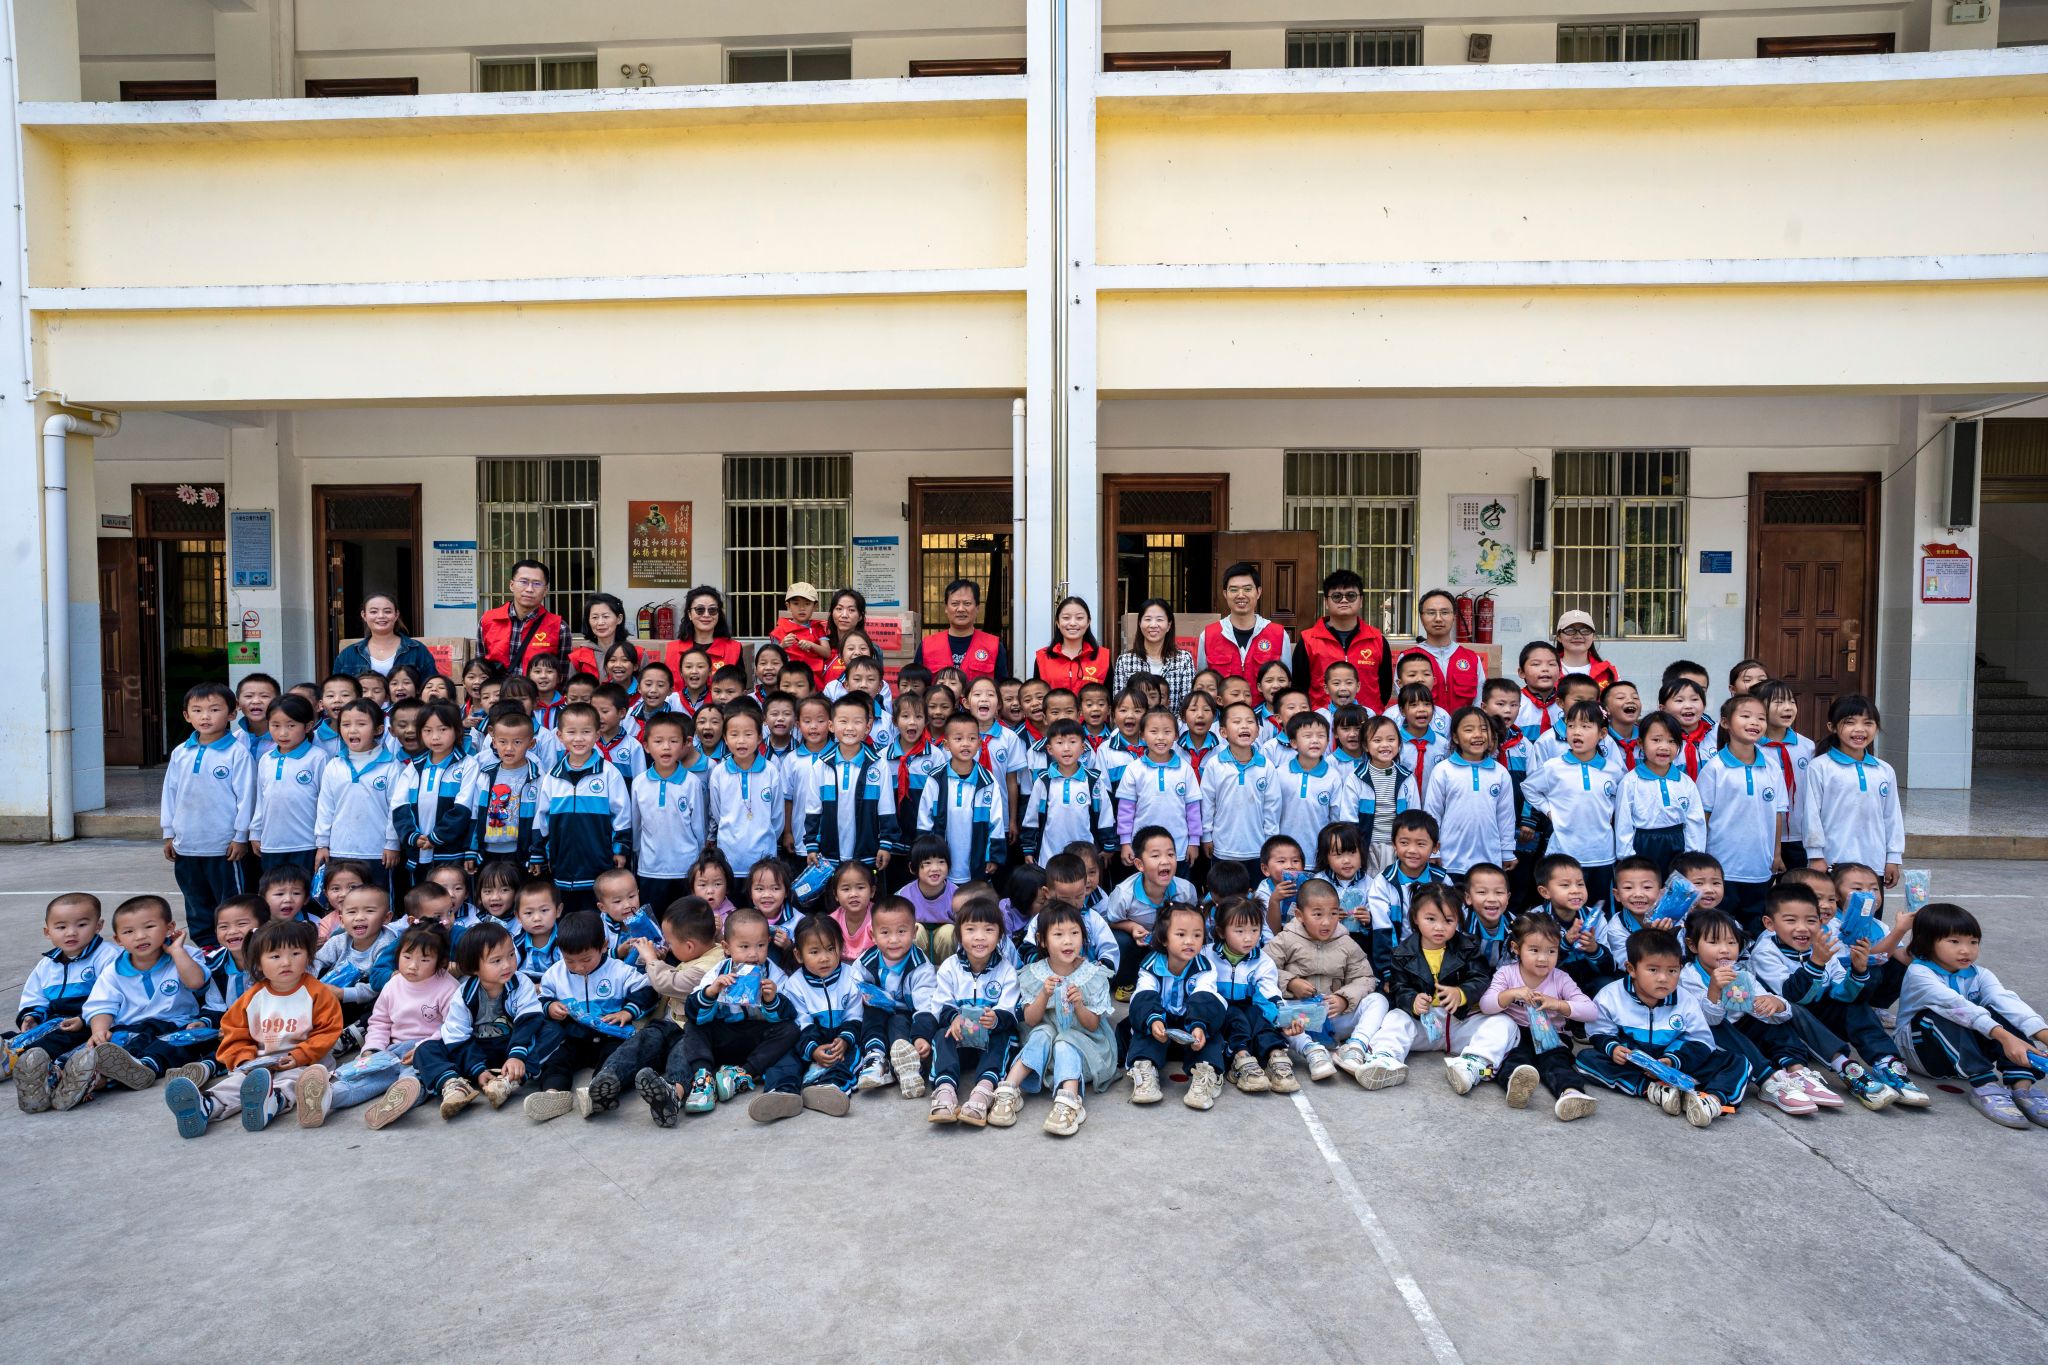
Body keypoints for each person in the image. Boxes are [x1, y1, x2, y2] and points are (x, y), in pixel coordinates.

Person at [160, 918, 345, 1137]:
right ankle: (206, 1106)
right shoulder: (253, 997)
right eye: (275, 956)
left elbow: (327, 1031)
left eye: (296, 953)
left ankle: (273, 1102)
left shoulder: (318, 993)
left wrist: (299, 1056)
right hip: (260, 1062)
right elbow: (234, 1032)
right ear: (258, 963)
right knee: (236, 1083)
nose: (286, 962)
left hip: (305, 1061)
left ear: (309, 956)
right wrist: (243, 1059)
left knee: (292, 1082)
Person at [1575, 925, 1751, 1128]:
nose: (1663, 978)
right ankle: (1653, 1089)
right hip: (1635, 1064)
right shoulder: (1610, 996)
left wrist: (1672, 1061)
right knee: (1585, 1059)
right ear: (1631, 969)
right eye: (1653, 970)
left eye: (1672, 971)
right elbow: (1599, 1032)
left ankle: (1711, 1101)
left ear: (1680, 969)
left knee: (1738, 1062)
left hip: (1678, 1063)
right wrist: (1613, 1048)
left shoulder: (1685, 1000)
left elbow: (1701, 1041)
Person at [1891, 902, 2048, 1129]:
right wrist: (2005, 1038)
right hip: (1922, 1054)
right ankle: (1985, 1086)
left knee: (2003, 1011)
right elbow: (1956, 1006)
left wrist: (2043, 1035)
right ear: (1928, 942)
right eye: (1954, 942)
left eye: (1973, 942)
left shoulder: (1980, 974)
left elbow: (2008, 1002)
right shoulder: (1919, 972)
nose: (1966, 950)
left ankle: (2022, 1088)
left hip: (1964, 1051)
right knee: (1940, 1014)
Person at [295, 921, 458, 1129]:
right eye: (407, 957)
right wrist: (372, 1048)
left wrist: (421, 1048)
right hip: (393, 1050)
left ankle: (396, 1101)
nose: (412, 966)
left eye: (424, 960)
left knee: (414, 1078)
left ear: (441, 962)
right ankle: (326, 1098)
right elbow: (380, 1022)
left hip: (428, 1050)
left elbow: (451, 1026)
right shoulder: (393, 984)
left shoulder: (448, 987)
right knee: (367, 1078)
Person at [990, 902, 1119, 1134]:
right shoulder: (1034, 973)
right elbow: (1030, 1020)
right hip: (1046, 1055)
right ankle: (1009, 1089)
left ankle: (1069, 1100)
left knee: (1065, 1040)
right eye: (1058, 935)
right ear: (1042, 940)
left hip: (1086, 1050)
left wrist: (1079, 1004)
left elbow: (1093, 1025)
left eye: (1074, 933)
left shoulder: (1093, 975)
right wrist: (1044, 994)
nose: (1068, 941)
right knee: (1042, 1032)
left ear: (1083, 937)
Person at [400, 922, 547, 1122]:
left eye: (511, 955)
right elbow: (458, 1037)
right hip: (476, 1051)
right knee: (425, 1049)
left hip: (511, 1047)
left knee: (551, 1031)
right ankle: (454, 1085)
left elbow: (528, 1021)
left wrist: (517, 1056)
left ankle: (508, 1080)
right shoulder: (463, 995)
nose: (507, 964)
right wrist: (477, 1069)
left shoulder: (521, 983)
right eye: (496, 960)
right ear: (474, 967)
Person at [160, 682, 255, 949]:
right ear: (186, 715)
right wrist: (169, 832)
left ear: (232, 714)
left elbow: (247, 797)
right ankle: (208, 951)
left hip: (223, 847)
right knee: (196, 902)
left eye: (214, 709)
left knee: (231, 905)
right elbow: (170, 793)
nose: (205, 716)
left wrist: (241, 836)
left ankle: (237, 952)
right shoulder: (181, 752)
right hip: (187, 845)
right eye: (197, 710)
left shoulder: (237, 753)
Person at [1479, 914, 1600, 1121]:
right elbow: (1486, 1005)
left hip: (1553, 1036)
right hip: (1517, 1033)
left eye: (1551, 951)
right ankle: (1516, 1085)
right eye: (1534, 950)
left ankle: (1571, 1093)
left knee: (1557, 1063)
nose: (1543, 958)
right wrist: (1511, 994)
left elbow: (1591, 1011)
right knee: (1514, 1060)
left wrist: (1558, 1004)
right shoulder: (1507, 974)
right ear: (1516, 948)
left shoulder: (1561, 979)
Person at [749, 913, 862, 1124]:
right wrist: (813, 1050)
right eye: (814, 952)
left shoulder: (851, 977)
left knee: (852, 1056)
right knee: (785, 1057)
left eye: (830, 949)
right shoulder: (795, 984)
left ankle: (830, 1089)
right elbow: (800, 1023)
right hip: (806, 1042)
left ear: (840, 948)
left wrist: (845, 1040)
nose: (824, 958)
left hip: (840, 1042)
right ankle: (782, 1092)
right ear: (799, 955)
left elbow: (854, 1016)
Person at [1802, 694, 1905, 887]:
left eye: (1868, 723)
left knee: (1870, 907)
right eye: (1850, 722)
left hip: (1874, 864)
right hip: (1833, 863)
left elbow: (1892, 816)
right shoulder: (1820, 767)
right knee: (1834, 908)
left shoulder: (1884, 770)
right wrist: (1815, 855)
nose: (1860, 729)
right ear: (1832, 727)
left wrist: (1893, 857)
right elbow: (1811, 814)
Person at [1293, 569, 1393, 714]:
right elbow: (1299, 687)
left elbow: (1385, 688)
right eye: (1337, 596)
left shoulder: (1377, 640)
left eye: (1351, 596)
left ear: (1361, 601)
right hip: (1322, 721)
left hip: (1367, 721)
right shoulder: (1308, 640)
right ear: (1326, 602)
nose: (1344, 600)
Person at [1196, 561, 1292, 684]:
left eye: (1247, 589)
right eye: (1234, 590)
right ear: (1225, 594)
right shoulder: (1208, 635)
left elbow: (1286, 684)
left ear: (1258, 592)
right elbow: (1203, 685)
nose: (1241, 595)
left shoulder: (1278, 635)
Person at [476, 559, 565, 676]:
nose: (529, 589)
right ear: (511, 585)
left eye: (537, 584)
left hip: (536, 688)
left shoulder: (559, 627)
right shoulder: (488, 620)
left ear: (545, 591)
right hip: (498, 687)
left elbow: (562, 675)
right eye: (523, 582)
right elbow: (479, 669)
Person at [1409, 589, 1487, 712]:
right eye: (1431, 613)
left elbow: (1479, 702)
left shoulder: (1472, 659)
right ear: (1421, 618)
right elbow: (1406, 702)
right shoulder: (1408, 658)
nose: (1438, 619)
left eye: (1445, 612)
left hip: (1463, 724)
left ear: (1454, 617)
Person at [920, 577, 1009, 683]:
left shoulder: (994, 646)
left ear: (977, 608)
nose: (961, 609)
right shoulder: (927, 645)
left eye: (967, 603)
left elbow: (1002, 687)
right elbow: (918, 685)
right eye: (955, 604)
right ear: (946, 608)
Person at [1113, 597, 1195, 711]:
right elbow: (1120, 706)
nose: (1153, 625)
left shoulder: (1184, 659)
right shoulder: (1125, 661)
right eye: (1148, 619)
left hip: (1172, 722)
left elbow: (1187, 706)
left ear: (1169, 625)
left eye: (1159, 619)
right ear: (1140, 623)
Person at [1034, 595, 1113, 694]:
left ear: (1088, 622)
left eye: (1079, 618)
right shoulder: (1043, 657)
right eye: (1066, 618)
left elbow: (1109, 697)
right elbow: (1037, 696)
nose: (1072, 623)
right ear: (1057, 622)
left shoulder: (1102, 657)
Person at [567, 593, 638, 681]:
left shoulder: (637, 654)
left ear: (619, 619)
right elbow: (572, 688)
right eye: (595, 617)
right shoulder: (578, 657)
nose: (600, 622)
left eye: (605, 616)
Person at [1552, 609, 1617, 688]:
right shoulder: (1548, 671)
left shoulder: (1608, 672)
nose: (1578, 636)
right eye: (1570, 630)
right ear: (1559, 637)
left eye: (1585, 630)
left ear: (1593, 636)